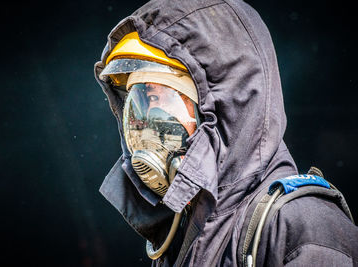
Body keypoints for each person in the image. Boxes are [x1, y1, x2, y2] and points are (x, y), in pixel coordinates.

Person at [94, 0, 358, 266]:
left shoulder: (303, 228)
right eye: (144, 99)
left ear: (224, 102)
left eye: (162, 97)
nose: (149, 120)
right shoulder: (179, 232)